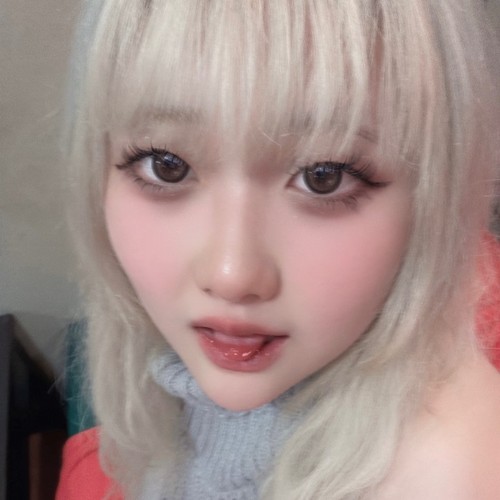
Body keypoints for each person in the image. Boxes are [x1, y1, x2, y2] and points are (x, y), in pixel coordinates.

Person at [57, 0, 500, 498]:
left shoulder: (456, 473)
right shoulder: (108, 453)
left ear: (435, 196)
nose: (231, 275)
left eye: (324, 176)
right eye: (166, 165)